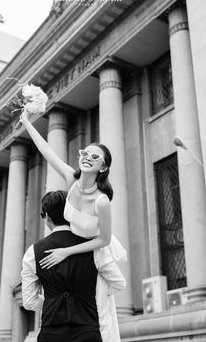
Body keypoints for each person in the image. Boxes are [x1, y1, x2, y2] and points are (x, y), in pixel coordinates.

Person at [20, 112, 127, 341]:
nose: (87, 157)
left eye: (95, 157)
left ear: (103, 168)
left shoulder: (102, 201)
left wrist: (65, 252)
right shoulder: (71, 179)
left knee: (96, 315)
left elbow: (103, 240)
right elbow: (47, 152)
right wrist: (27, 122)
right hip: (74, 245)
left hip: (92, 246)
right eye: (85, 153)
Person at [21, 190, 126, 342]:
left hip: (51, 334)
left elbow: (29, 301)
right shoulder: (94, 246)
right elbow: (119, 283)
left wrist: (53, 303)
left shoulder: (33, 253)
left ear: (47, 217)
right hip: (87, 333)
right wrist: (89, 298)